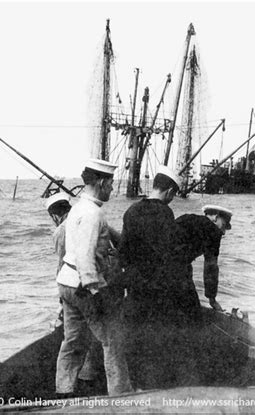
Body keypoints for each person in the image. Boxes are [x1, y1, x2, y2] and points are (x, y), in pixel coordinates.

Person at [55, 159, 132, 397]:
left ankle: (63, 390)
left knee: (73, 341)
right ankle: (120, 395)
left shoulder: (78, 208)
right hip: (83, 285)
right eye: (110, 184)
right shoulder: (94, 213)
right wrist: (95, 291)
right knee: (112, 341)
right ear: (100, 182)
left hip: (65, 283)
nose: (112, 188)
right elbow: (85, 257)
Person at [119, 165, 198, 325]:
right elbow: (169, 252)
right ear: (169, 191)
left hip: (134, 283)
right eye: (173, 195)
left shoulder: (131, 210)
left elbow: (123, 251)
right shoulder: (165, 213)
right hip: (156, 287)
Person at [175, 205, 233, 312]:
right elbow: (211, 266)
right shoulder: (213, 231)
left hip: (154, 263)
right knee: (192, 310)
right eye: (224, 225)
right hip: (175, 268)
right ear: (215, 217)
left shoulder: (186, 218)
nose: (223, 232)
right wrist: (212, 299)